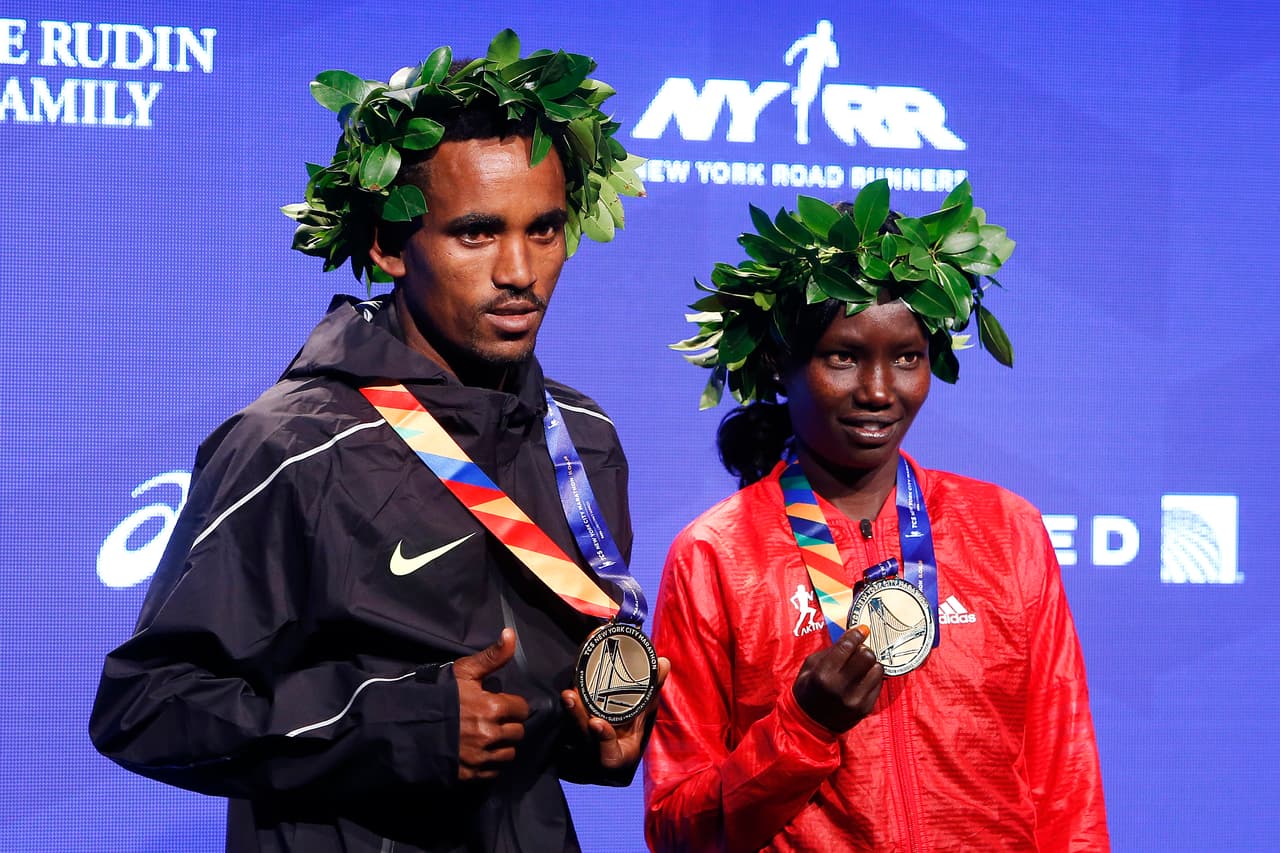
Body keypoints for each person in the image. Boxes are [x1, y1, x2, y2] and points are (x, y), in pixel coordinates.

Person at [90, 30, 666, 853]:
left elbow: (531, 707)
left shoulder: (582, 436)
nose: (520, 269)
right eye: (476, 232)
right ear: (390, 246)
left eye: (543, 230)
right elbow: (145, 705)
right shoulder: (291, 444)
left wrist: (590, 731)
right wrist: (400, 725)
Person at [645, 182, 1109, 851]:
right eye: (843, 355)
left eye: (907, 357)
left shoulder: (1006, 531)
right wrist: (802, 727)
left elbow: (1067, 790)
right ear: (781, 365)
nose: (879, 390)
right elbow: (677, 829)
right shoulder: (717, 555)